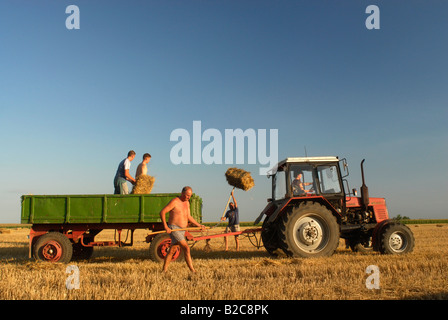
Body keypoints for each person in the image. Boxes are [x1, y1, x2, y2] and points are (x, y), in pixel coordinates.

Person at [160, 186, 205, 273]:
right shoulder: (175, 201)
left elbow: (189, 217)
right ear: (182, 193)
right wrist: (166, 227)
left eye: (190, 196)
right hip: (174, 229)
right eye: (187, 195)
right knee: (186, 248)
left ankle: (164, 270)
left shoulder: (187, 203)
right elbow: (162, 212)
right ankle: (192, 270)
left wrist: (199, 225)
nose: (188, 197)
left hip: (182, 230)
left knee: (172, 250)